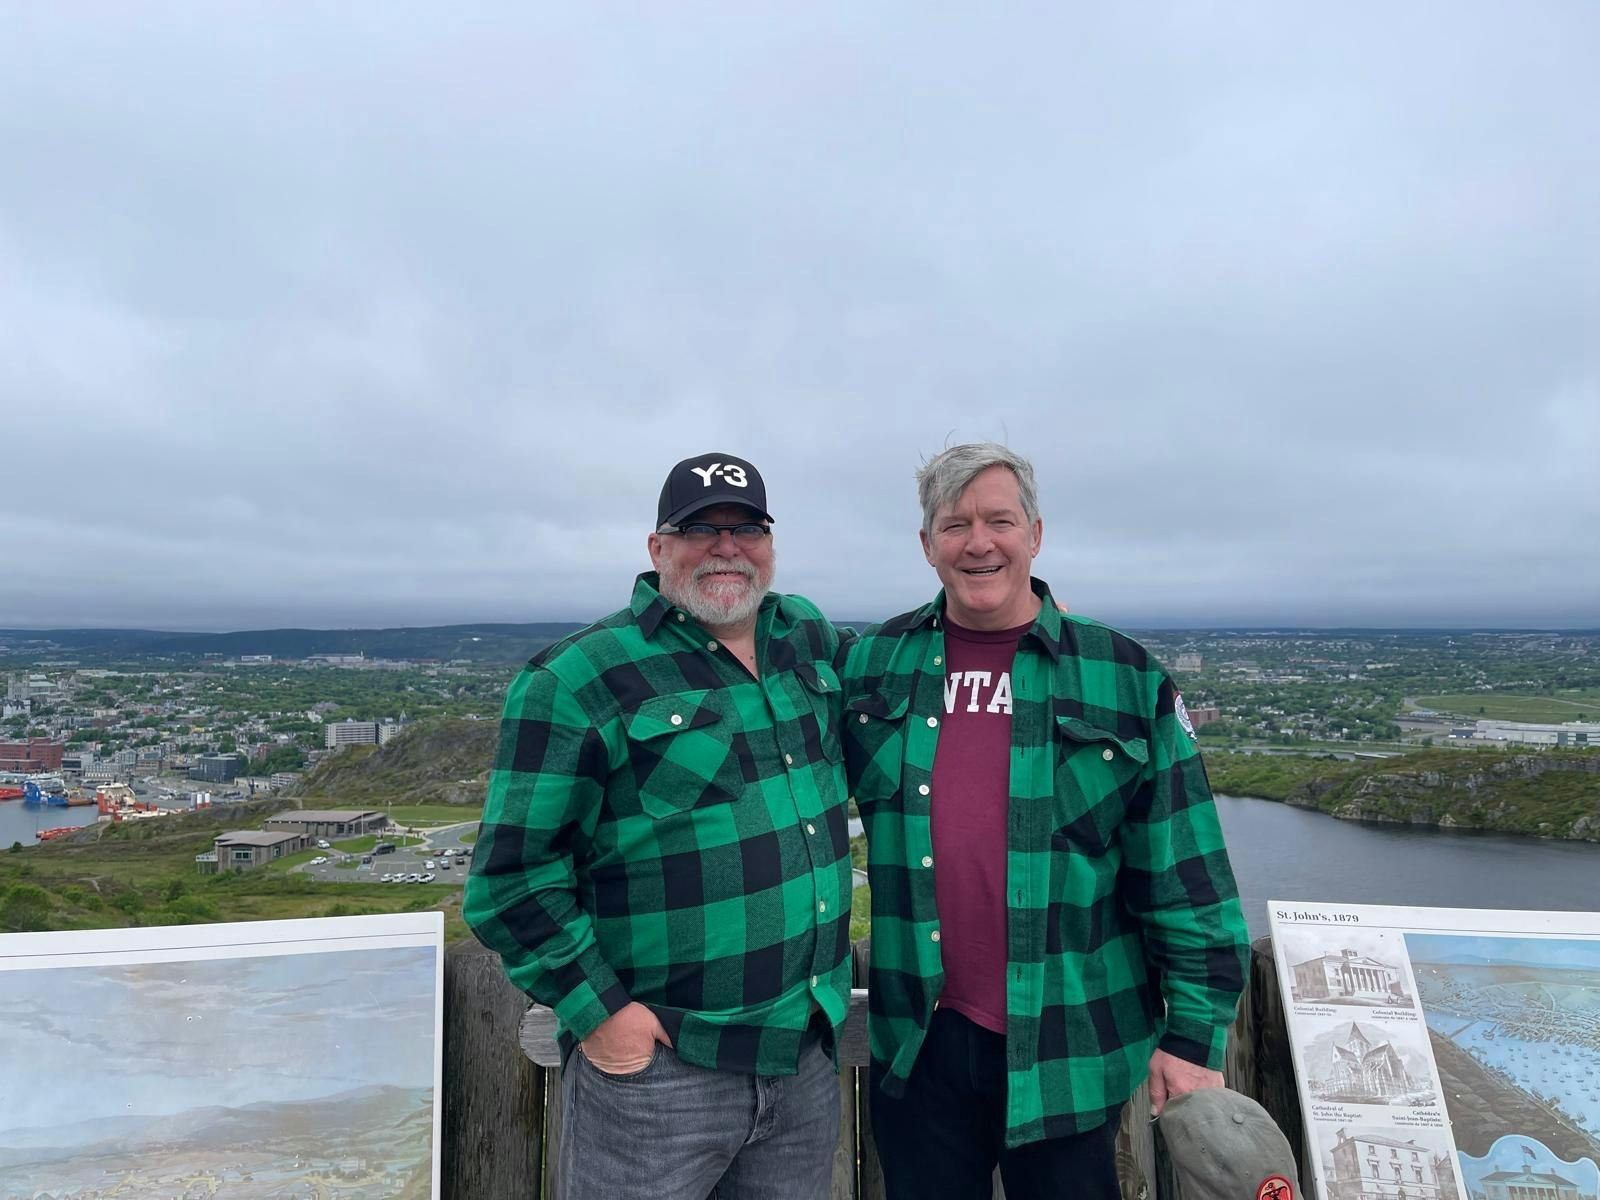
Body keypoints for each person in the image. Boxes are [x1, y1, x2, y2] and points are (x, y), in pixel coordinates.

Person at [841, 442, 1249, 1200]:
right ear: (927, 544)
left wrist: (1194, 1037)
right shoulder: (871, 665)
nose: (979, 543)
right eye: (955, 524)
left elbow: (1187, 876)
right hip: (917, 1044)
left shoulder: (1123, 676)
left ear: (1034, 533)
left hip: (1070, 1043)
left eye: (999, 521)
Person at [465, 452, 854, 1200]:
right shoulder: (577, 677)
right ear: (657, 547)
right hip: (661, 1075)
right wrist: (606, 1019)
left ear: (770, 543)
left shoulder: (806, 638)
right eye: (700, 529)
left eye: (747, 528)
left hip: (801, 1058)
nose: (726, 547)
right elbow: (511, 880)